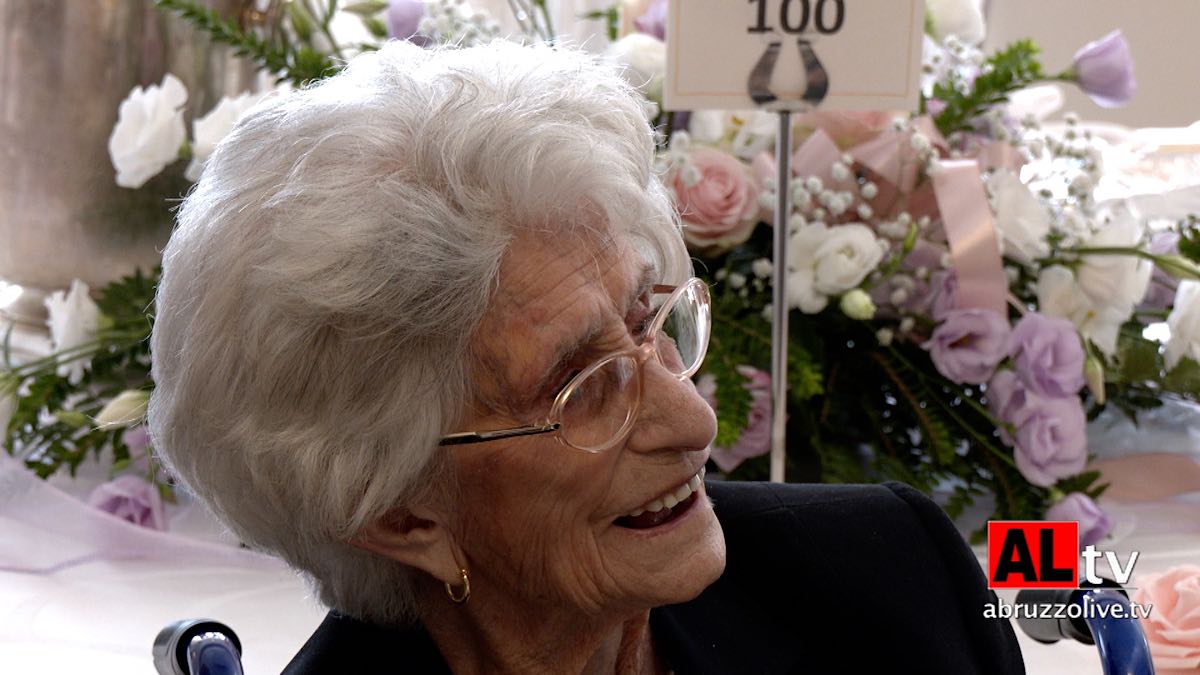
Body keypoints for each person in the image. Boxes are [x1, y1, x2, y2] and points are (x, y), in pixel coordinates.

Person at [148, 40, 1024, 674]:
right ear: (402, 514)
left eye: (652, 325)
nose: (695, 420)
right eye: (585, 387)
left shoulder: (894, 579)